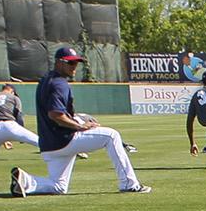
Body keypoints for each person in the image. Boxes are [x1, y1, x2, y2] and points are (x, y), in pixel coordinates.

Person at [11, 47, 148, 196]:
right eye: (70, 63)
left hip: (49, 145)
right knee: (111, 136)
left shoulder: (46, 80)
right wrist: (80, 126)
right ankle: (129, 184)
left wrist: (77, 118)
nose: (74, 67)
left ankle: (25, 181)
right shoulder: (59, 83)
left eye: (76, 63)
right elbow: (55, 115)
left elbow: (56, 112)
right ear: (59, 63)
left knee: (59, 186)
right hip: (64, 140)